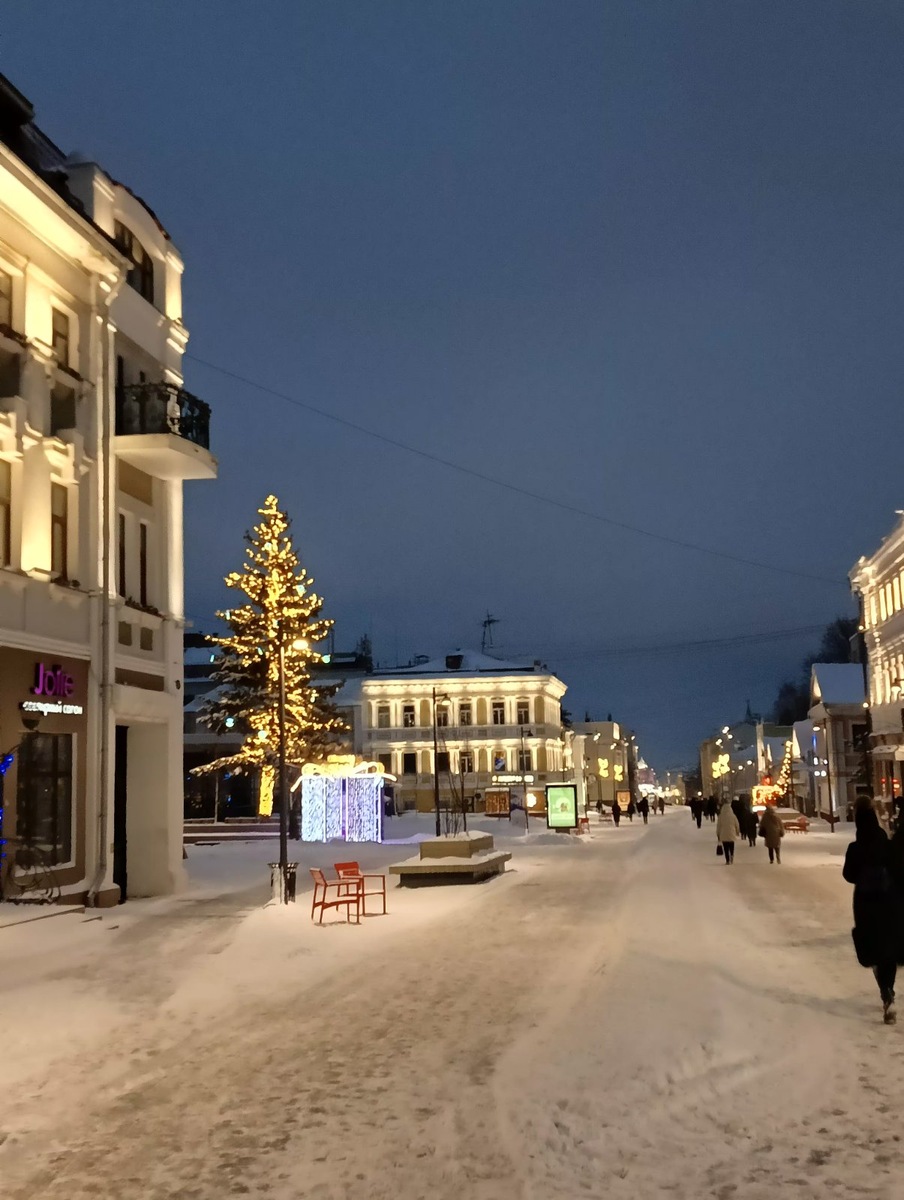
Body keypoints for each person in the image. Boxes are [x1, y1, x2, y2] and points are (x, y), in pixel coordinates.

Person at [843, 800, 902, 1025]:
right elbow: (898, 870)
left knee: (872, 946)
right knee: (888, 947)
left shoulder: (855, 848)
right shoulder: (886, 845)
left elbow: (848, 875)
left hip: (865, 903)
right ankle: (889, 990)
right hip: (888, 901)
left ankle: (885, 990)